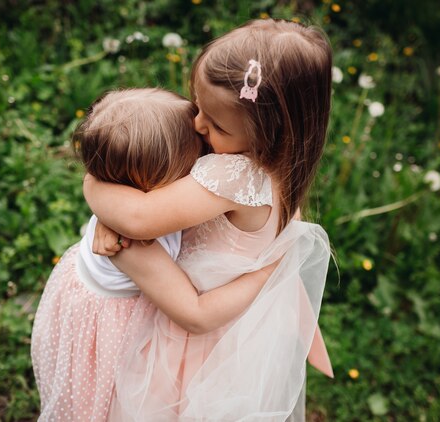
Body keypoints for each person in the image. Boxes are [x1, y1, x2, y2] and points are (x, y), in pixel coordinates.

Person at [83, 19, 334, 421]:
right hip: (240, 333)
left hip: (196, 338)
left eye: (216, 125)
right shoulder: (285, 165)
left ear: (271, 132)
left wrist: (94, 186)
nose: (197, 126)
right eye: (198, 107)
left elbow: (138, 217)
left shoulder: (234, 175)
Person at [30, 88, 277, 421]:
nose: (206, 154)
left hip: (87, 291)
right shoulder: (133, 244)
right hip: (106, 329)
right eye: (198, 156)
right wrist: (267, 272)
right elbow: (196, 313)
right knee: (102, 404)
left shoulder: (131, 202)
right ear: (156, 180)